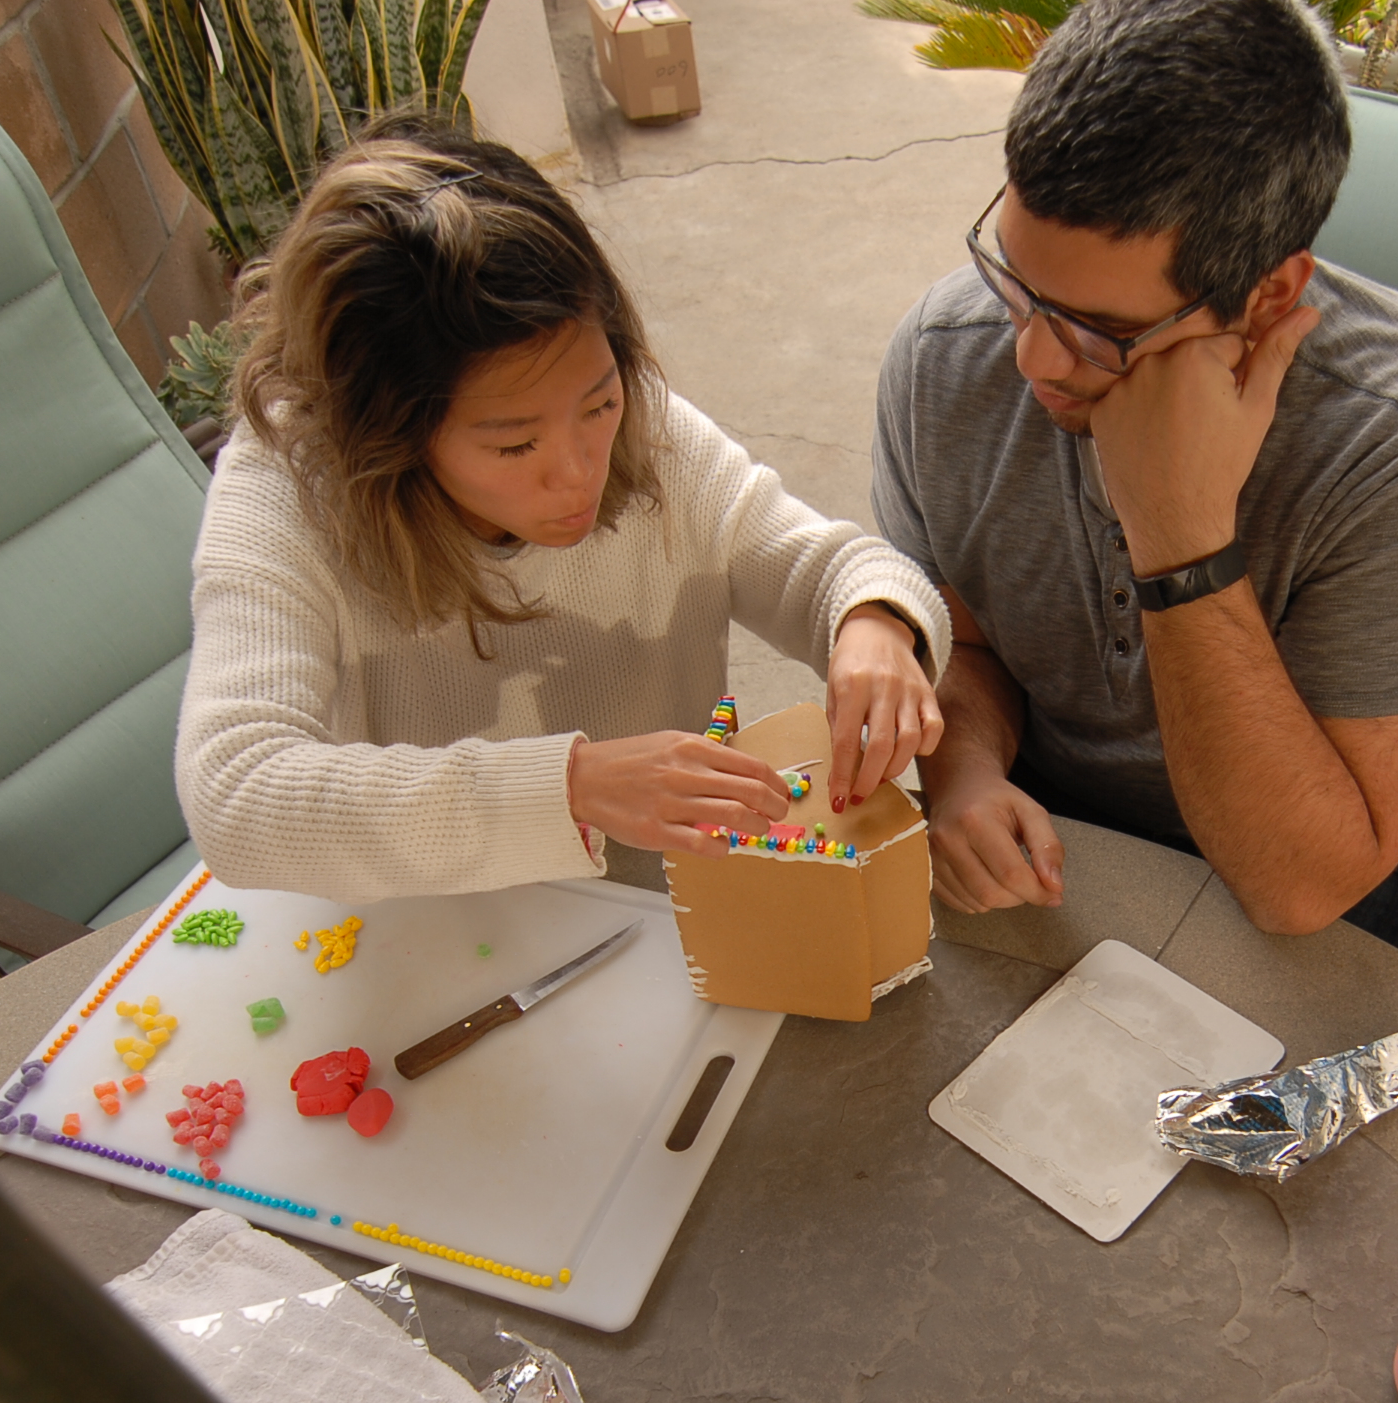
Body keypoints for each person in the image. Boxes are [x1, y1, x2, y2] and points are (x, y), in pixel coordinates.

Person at [873, 0, 1398, 959]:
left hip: (1311, 866)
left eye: (1099, 330)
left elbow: (1301, 885)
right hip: (1049, 823)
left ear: (1269, 295)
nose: (1032, 359)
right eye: (1013, 279)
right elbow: (961, 640)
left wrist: (1178, 532)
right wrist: (963, 770)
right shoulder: (943, 354)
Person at [178, 124, 947, 903]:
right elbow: (235, 795)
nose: (581, 471)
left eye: (599, 403)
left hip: (668, 900)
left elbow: (828, 569)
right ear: (388, 439)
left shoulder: (645, 430)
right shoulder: (288, 494)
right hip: (441, 924)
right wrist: (572, 785)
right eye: (514, 446)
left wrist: (874, 622)